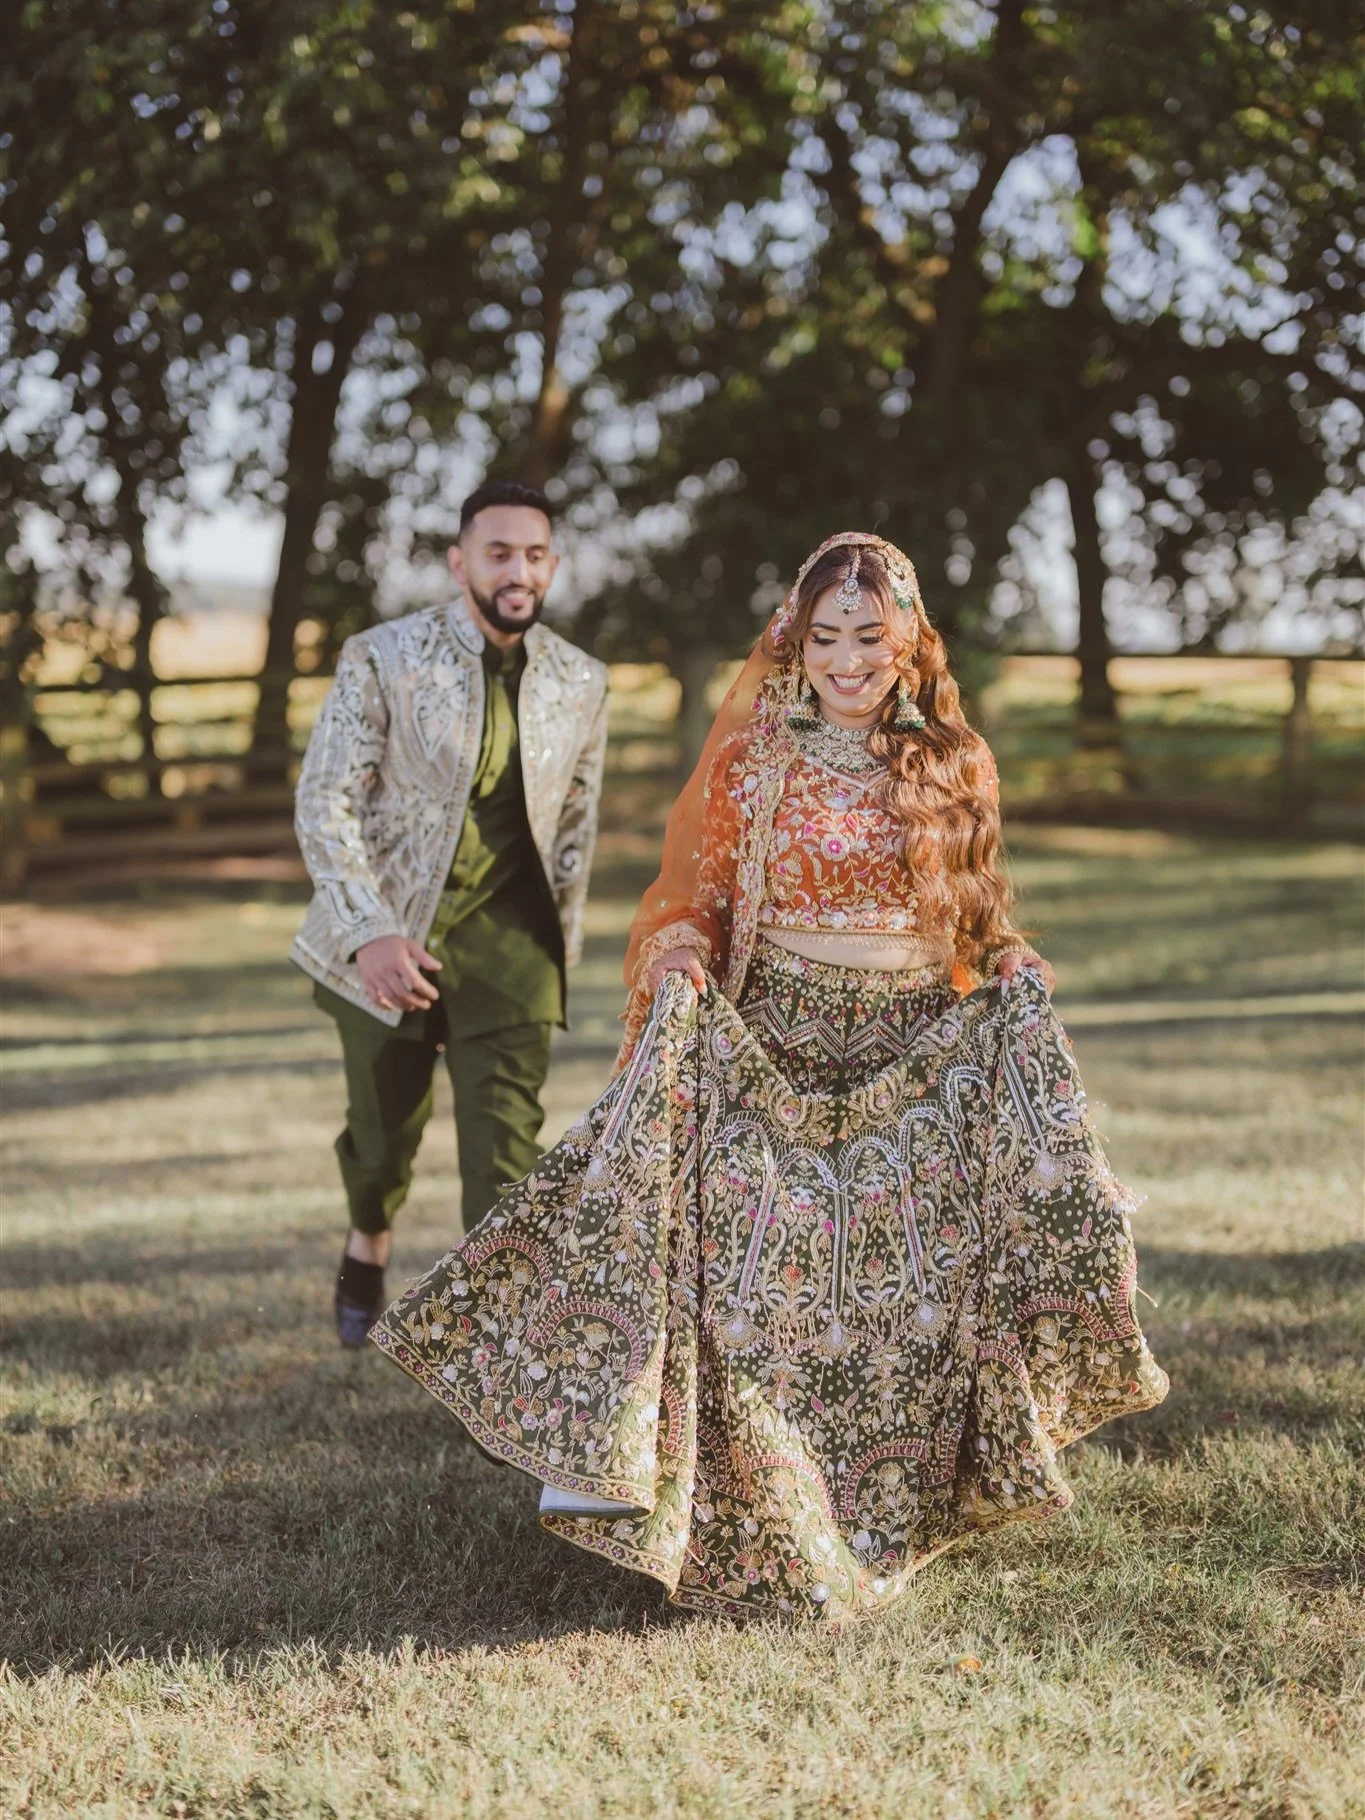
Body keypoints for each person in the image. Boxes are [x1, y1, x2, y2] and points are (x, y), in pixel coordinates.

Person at [371, 531, 1168, 1621]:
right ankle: (755, 1515)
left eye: (869, 638)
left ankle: (886, 1503)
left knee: (926, 1261)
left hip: (916, 1055)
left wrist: (1008, 960)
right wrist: (683, 950)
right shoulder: (756, 761)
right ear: (795, 642)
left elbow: (977, 916)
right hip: (772, 1049)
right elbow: (697, 900)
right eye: (825, 637)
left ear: (907, 641)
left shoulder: (956, 758)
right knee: (748, 1254)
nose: (847, 660)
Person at [291, 480, 609, 1347]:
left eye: (534, 554)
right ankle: (367, 1242)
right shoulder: (383, 657)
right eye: (498, 551)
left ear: (551, 564)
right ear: (459, 560)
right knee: (382, 1140)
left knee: (508, 1167)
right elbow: (325, 802)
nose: (519, 570)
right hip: (389, 943)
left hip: (511, 953)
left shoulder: (582, 681)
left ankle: (503, 1363)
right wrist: (369, 932)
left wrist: (560, 951)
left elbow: (575, 824)